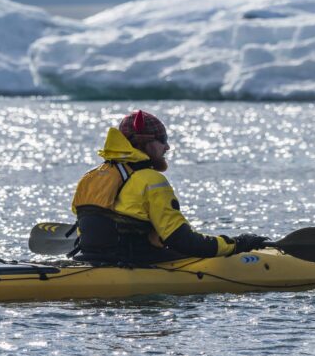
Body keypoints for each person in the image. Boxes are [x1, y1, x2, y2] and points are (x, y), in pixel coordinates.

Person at [71, 110, 268, 264]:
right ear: (145, 143)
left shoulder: (91, 176)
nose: (167, 147)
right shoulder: (151, 180)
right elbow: (183, 241)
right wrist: (238, 244)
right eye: (162, 140)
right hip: (137, 263)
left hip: (92, 260)